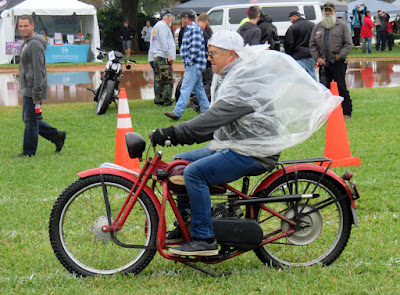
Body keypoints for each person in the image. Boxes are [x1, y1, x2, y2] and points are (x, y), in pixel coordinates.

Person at [151, 30, 342, 256]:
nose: (208, 58)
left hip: (253, 151)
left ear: (231, 54)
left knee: (194, 173)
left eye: (212, 53)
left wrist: (173, 132)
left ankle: (204, 239)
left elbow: (212, 119)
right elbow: (216, 125)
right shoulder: (233, 75)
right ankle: (186, 226)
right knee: (179, 163)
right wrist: (178, 135)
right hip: (237, 144)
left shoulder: (243, 82)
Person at [16, 15, 66, 158]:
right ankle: (56, 135)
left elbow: (39, 71)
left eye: (26, 26)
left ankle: (28, 152)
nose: (23, 29)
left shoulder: (34, 44)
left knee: (30, 121)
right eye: (20, 26)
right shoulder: (27, 42)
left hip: (34, 88)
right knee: (30, 118)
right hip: (28, 87)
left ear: (33, 26)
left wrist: (36, 94)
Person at [309, 2, 353, 119]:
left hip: (338, 63)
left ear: (334, 12)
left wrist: (340, 56)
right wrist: (317, 58)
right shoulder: (317, 27)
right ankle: (326, 113)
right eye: (326, 11)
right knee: (324, 89)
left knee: (341, 87)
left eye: (330, 10)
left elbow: (348, 44)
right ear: (323, 12)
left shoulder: (342, 26)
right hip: (323, 63)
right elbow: (312, 45)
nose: (328, 13)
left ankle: (346, 112)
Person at [164, 10, 209, 120]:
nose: (181, 21)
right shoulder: (192, 29)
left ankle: (177, 112)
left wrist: (189, 61)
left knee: (185, 88)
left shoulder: (193, 29)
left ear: (186, 18)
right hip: (195, 64)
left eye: (182, 18)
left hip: (193, 64)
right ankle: (207, 111)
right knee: (199, 89)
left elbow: (195, 47)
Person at [149, 8, 176, 106]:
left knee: (159, 79)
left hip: (157, 56)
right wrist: (169, 55)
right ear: (168, 17)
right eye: (171, 17)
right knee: (167, 80)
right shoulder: (163, 26)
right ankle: (167, 100)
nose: (172, 19)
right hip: (163, 57)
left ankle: (159, 99)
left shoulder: (157, 26)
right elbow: (165, 41)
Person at [284, 10, 317, 81]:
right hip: (311, 54)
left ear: (294, 17)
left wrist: (290, 54)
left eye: (290, 19)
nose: (291, 21)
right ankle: (316, 90)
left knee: (300, 76)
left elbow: (289, 43)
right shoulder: (312, 25)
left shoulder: (292, 28)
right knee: (312, 74)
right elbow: (317, 40)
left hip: (298, 55)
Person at [198, 13, 213, 101]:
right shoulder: (202, 32)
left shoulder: (196, 30)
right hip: (205, 62)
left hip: (199, 62)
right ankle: (197, 100)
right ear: (207, 21)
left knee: (201, 83)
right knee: (209, 82)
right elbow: (203, 47)